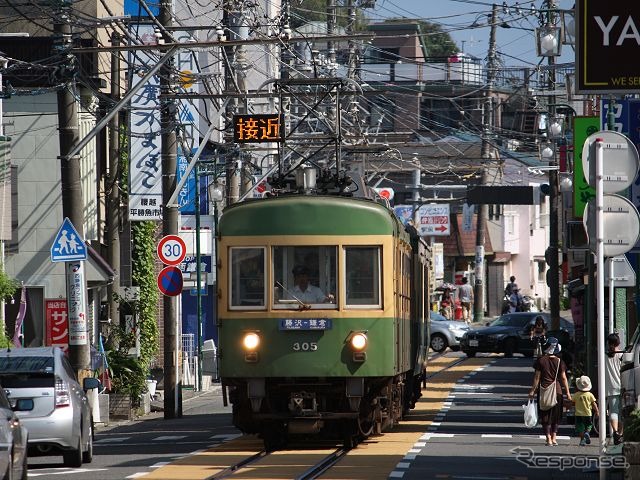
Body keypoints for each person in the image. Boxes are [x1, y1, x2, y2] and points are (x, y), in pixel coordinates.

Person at [528, 337, 572, 446]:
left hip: (544, 390)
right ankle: (554, 438)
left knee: (545, 415)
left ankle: (548, 438)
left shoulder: (541, 360)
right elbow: (563, 378)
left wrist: (532, 391)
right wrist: (568, 393)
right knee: (556, 416)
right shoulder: (559, 361)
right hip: (557, 391)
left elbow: (537, 378)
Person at [605, 333, 624, 445]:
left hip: (611, 388)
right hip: (623, 386)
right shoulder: (621, 355)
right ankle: (620, 435)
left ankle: (616, 432)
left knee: (613, 412)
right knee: (623, 413)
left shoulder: (605, 356)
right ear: (618, 343)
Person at [573, 375, 599, 446]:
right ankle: (587, 433)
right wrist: (597, 411)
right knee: (589, 425)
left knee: (580, 427)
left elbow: (572, 402)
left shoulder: (576, 394)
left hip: (578, 414)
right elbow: (594, 404)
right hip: (588, 413)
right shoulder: (590, 395)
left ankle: (582, 440)